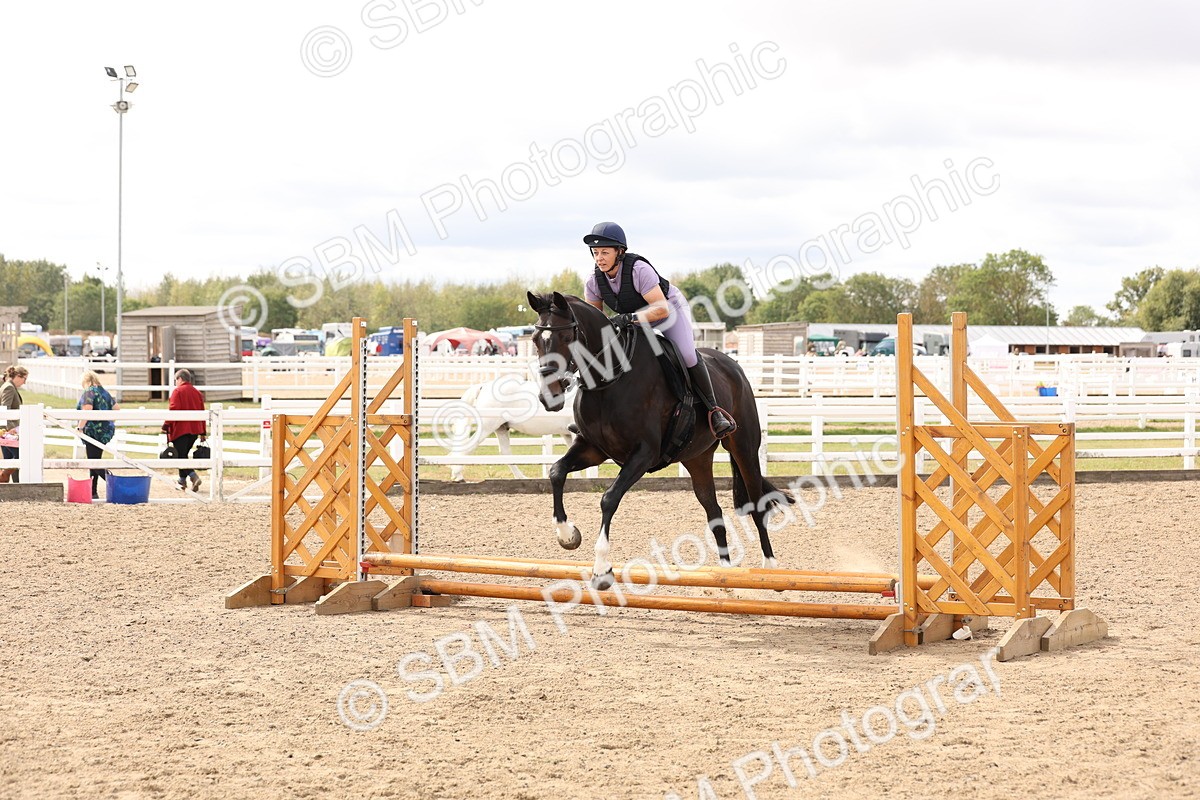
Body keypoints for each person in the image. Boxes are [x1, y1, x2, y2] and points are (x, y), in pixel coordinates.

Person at [581, 221, 735, 438]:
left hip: (668, 312)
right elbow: (596, 321)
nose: (599, 258)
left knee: (688, 355)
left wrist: (629, 318)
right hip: (634, 320)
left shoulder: (639, 270)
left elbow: (660, 309)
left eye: (605, 252)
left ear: (620, 252)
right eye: (595, 253)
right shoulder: (592, 281)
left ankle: (715, 411)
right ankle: (590, 419)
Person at [76, 371, 120, 499]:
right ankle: (93, 492)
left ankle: (114, 482)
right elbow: (117, 409)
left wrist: (80, 427)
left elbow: (87, 410)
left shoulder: (89, 391)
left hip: (92, 431)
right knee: (95, 459)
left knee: (93, 462)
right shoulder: (104, 392)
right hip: (105, 432)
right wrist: (109, 422)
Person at [164, 369, 207, 492]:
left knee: (180, 456)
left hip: (180, 429)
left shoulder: (177, 392)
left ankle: (193, 476)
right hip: (194, 430)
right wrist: (203, 432)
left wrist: (166, 425)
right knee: (183, 454)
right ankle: (182, 480)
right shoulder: (197, 393)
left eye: (175, 380)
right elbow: (202, 412)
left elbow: (173, 409)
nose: (175, 383)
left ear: (180, 379)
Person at [0, 365, 28, 483]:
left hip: (6, 428)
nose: (24, 382)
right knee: (18, 456)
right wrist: (10, 428)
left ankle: (14, 484)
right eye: (24, 379)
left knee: (10, 458)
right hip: (9, 430)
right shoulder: (9, 388)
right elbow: (5, 408)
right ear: (18, 376)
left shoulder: (8, 386)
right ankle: (4, 475)